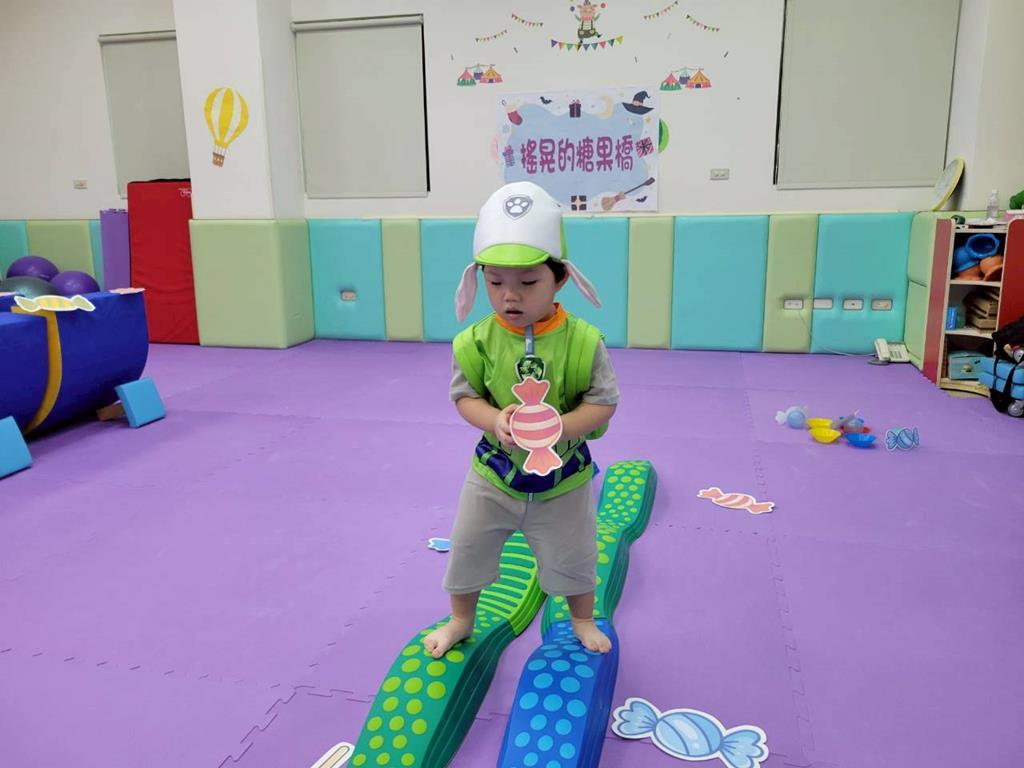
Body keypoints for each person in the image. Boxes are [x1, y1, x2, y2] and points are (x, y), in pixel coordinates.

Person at [423, 181, 619, 658]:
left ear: (559, 279)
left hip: (563, 478)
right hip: (494, 474)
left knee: (575, 554)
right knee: (467, 547)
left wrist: (561, 427)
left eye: (528, 283)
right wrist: (495, 420)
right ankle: (460, 620)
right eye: (495, 283)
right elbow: (465, 397)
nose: (510, 297)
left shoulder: (584, 341)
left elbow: (603, 402)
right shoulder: (475, 342)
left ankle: (581, 619)